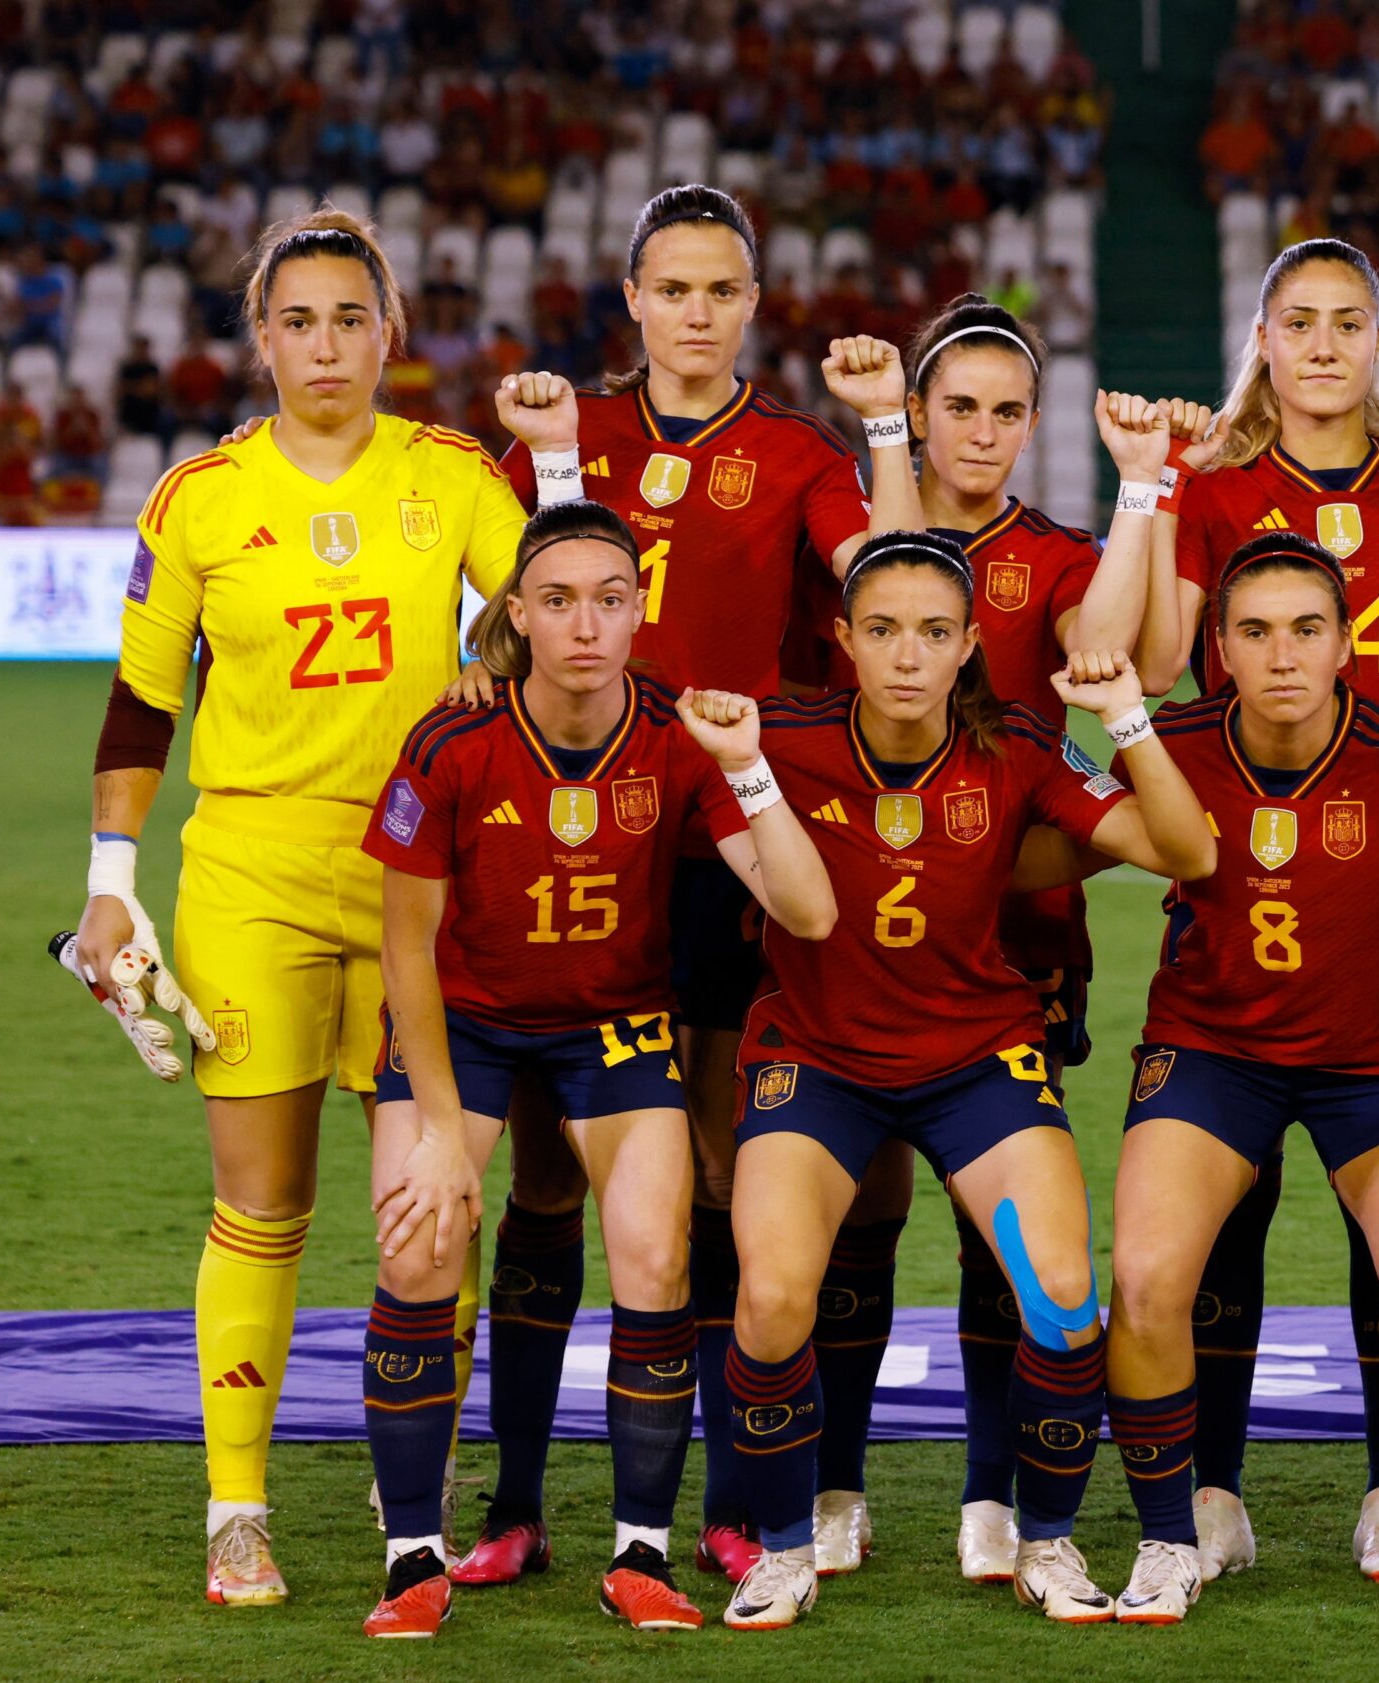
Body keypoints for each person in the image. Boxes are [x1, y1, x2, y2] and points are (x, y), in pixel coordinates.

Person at [443, 184, 921, 1590]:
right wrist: (482, 660)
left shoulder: (794, 452)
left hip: (711, 840)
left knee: (709, 1167)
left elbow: (891, 571)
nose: (698, 313)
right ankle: (515, 1498)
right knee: (542, 1176)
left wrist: (887, 428)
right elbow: (502, 602)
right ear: (633, 298)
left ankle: (714, 1497)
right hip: (563, 843)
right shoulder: (562, 430)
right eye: (675, 288)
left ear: (750, 305)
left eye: (723, 290)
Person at [68, 206, 546, 1605]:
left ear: (390, 332)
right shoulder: (199, 498)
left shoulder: (453, 474)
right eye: (298, 320)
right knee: (262, 1204)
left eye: (352, 318)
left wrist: (491, 660)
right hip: (253, 876)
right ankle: (237, 1505)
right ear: (259, 338)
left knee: (429, 1208)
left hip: (424, 879)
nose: (326, 343)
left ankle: (421, 1490)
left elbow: (552, 604)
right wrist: (109, 888)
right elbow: (141, 700)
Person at [711, 532, 1214, 1630]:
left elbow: (1186, 850)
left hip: (973, 1056)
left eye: (934, 633)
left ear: (970, 647)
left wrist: (1125, 717)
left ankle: (1046, 1540)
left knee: (1064, 1299)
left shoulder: (1020, 746)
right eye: (882, 630)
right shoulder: (775, 738)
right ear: (841, 640)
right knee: (771, 1296)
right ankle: (786, 1550)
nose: (906, 655)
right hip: (817, 1055)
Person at [352, 500, 837, 1637]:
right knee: (421, 1241)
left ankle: (639, 1552)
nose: (585, 624)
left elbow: (805, 911)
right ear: (514, 617)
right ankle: (410, 1555)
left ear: (637, 612)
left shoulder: (676, 731)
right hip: (463, 1026)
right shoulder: (451, 741)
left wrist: (751, 769)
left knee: (656, 1256)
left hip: (614, 1026)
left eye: (609, 600)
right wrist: (431, 1128)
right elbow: (404, 946)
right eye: (558, 601)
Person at [1097, 532, 1379, 1626]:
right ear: (1218, 647)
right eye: (1253, 632)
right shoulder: (1166, 744)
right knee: (1148, 1277)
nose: (1282, 655)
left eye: (1308, 629)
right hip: (1214, 1054)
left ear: (1348, 642)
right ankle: (1172, 1536)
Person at [802, 295, 1176, 1587]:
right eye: (954, 404)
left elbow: (1115, 651)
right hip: (860, 916)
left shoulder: (1056, 552)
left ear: (1032, 423)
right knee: (857, 1209)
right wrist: (880, 439)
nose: (982, 429)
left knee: (995, 1222)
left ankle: (988, 1492)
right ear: (917, 415)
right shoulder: (867, 535)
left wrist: (1142, 493)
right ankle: (835, 1479)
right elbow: (891, 575)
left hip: (1015, 923)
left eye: (1006, 410)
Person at [1147, 236, 1379, 1581]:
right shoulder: (1217, 483)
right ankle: (1211, 1487)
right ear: (1264, 341)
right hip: (1233, 843)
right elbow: (1172, 657)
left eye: (1350, 321)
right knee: (1219, 1192)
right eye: (1301, 322)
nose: (1327, 345)